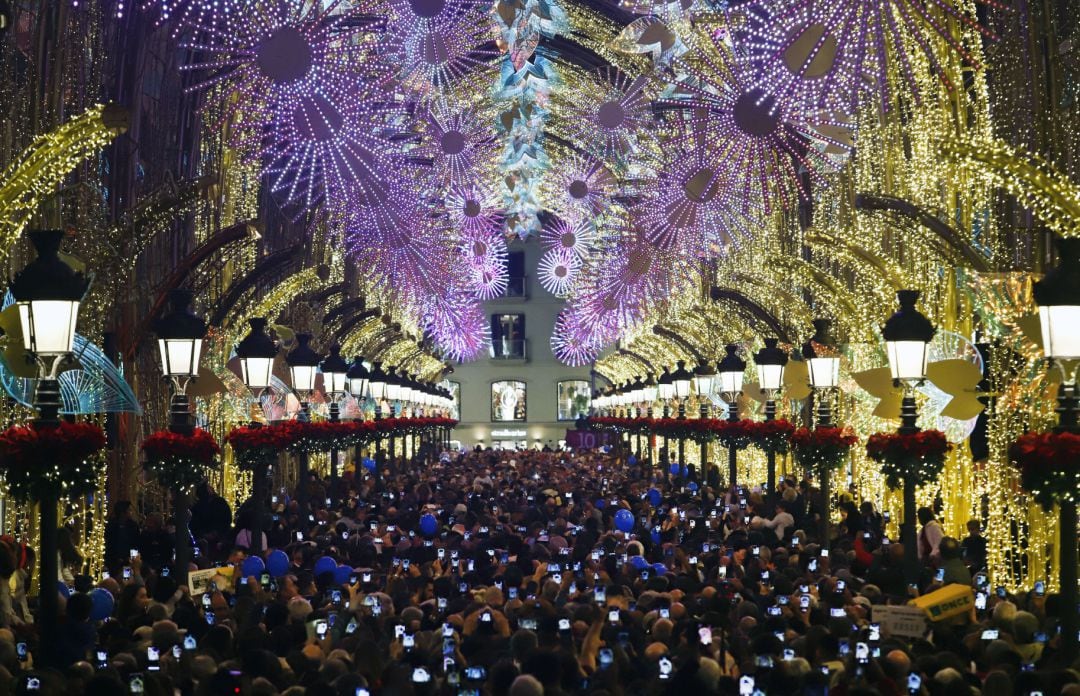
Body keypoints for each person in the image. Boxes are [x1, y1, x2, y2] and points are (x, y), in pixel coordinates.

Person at [104, 501, 140, 571]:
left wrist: (132, 558)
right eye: (129, 510)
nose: (131, 512)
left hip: (127, 560)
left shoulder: (133, 526)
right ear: (123, 512)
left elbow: (135, 544)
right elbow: (109, 543)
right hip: (112, 561)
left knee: (126, 578)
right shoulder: (111, 525)